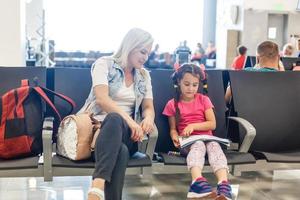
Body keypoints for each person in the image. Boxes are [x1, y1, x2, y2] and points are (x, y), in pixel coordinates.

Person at [79, 28, 155, 200]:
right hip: (96, 135)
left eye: (148, 54)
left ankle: (95, 189)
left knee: (115, 120)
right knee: (119, 150)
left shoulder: (144, 76)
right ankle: (99, 190)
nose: (145, 57)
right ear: (130, 46)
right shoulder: (104, 64)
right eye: (142, 51)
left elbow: (148, 106)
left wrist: (148, 118)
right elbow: (102, 100)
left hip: (130, 135)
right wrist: (130, 121)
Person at [163, 63, 233, 200]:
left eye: (195, 85)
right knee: (198, 145)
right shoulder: (172, 104)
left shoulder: (204, 100)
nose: (191, 88)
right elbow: (172, 129)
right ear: (179, 82)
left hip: (208, 138)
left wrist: (193, 126)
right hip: (188, 142)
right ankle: (197, 182)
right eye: (187, 84)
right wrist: (175, 137)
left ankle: (223, 184)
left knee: (214, 146)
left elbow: (212, 124)